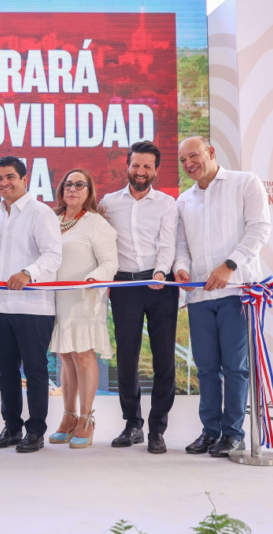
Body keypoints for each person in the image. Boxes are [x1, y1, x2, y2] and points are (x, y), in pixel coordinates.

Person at [175, 136, 271, 457]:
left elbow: (259, 228)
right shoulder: (183, 200)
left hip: (238, 291)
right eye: (183, 160)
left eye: (194, 156)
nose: (189, 164)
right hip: (200, 297)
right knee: (205, 368)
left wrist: (230, 265)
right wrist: (182, 270)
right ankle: (209, 431)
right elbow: (181, 247)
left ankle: (233, 434)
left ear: (211, 153)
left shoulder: (245, 183)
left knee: (235, 367)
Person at [99, 141, 179, 454]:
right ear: (128, 167)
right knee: (127, 358)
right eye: (136, 165)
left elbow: (168, 243)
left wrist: (161, 272)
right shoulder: (108, 202)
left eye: (147, 166)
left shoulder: (166, 203)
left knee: (163, 359)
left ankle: (158, 428)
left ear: (156, 170)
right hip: (124, 287)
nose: (140, 172)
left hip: (160, 285)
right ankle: (133, 424)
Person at [0, 157, 63, 453]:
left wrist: (27, 273)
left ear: (24, 179)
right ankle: (12, 427)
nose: (4, 183)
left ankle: (36, 431)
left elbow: (53, 255)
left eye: (10, 177)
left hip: (34, 307)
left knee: (35, 371)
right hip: (2, 307)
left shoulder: (40, 213)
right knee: (5, 371)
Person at [48, 169, 118, 449]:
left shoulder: (96, 223)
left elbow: (110, 263)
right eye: (68, 184)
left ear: (89, 191)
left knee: (84, 356)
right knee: (65, 356)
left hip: (85, 298)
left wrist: (94, 279)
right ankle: (68, 417)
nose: (72, 189)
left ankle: (86, 420)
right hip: (57, 299)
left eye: (80, 184)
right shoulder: (51, 221)